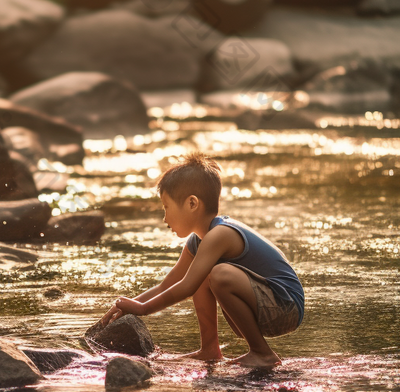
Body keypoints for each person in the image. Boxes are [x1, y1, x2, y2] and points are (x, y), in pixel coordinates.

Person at [100, 152, 304, 369]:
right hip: (265, 304)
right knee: (202, 273)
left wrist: (143, 309)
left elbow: (187, 287)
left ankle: (262, 353)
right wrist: (131, 305)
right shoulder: (197, 242)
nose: (164, 217)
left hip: (285, 306)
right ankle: (209, 349)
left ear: (192, 203)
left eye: (166, 207)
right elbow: (168, 284)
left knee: (218, 274)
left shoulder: (220, 233)